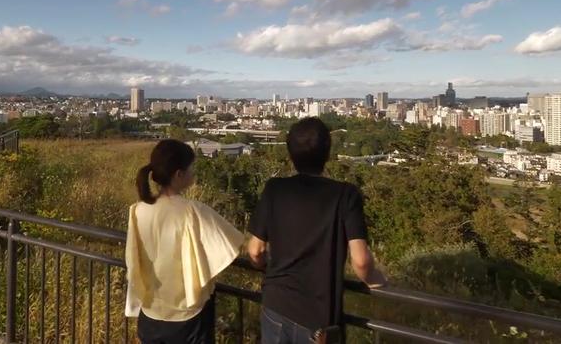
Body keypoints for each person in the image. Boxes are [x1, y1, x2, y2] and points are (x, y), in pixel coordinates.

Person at [247, 117, 387, 344]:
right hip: (317, 320)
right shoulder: (346, 195)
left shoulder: (275, 189)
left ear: (290, 153)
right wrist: (379, 282)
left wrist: (269, 269)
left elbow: (255, 251)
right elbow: (361, 262)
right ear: (327, 152)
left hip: (275, 306)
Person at [125, 139, 244, 344]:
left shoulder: (137, 210)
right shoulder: (193, 211)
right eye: (191, 169)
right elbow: (233, 243)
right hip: (188, 316)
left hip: (151, 312)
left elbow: (133, 257)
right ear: (179, 175)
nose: (194, 174)